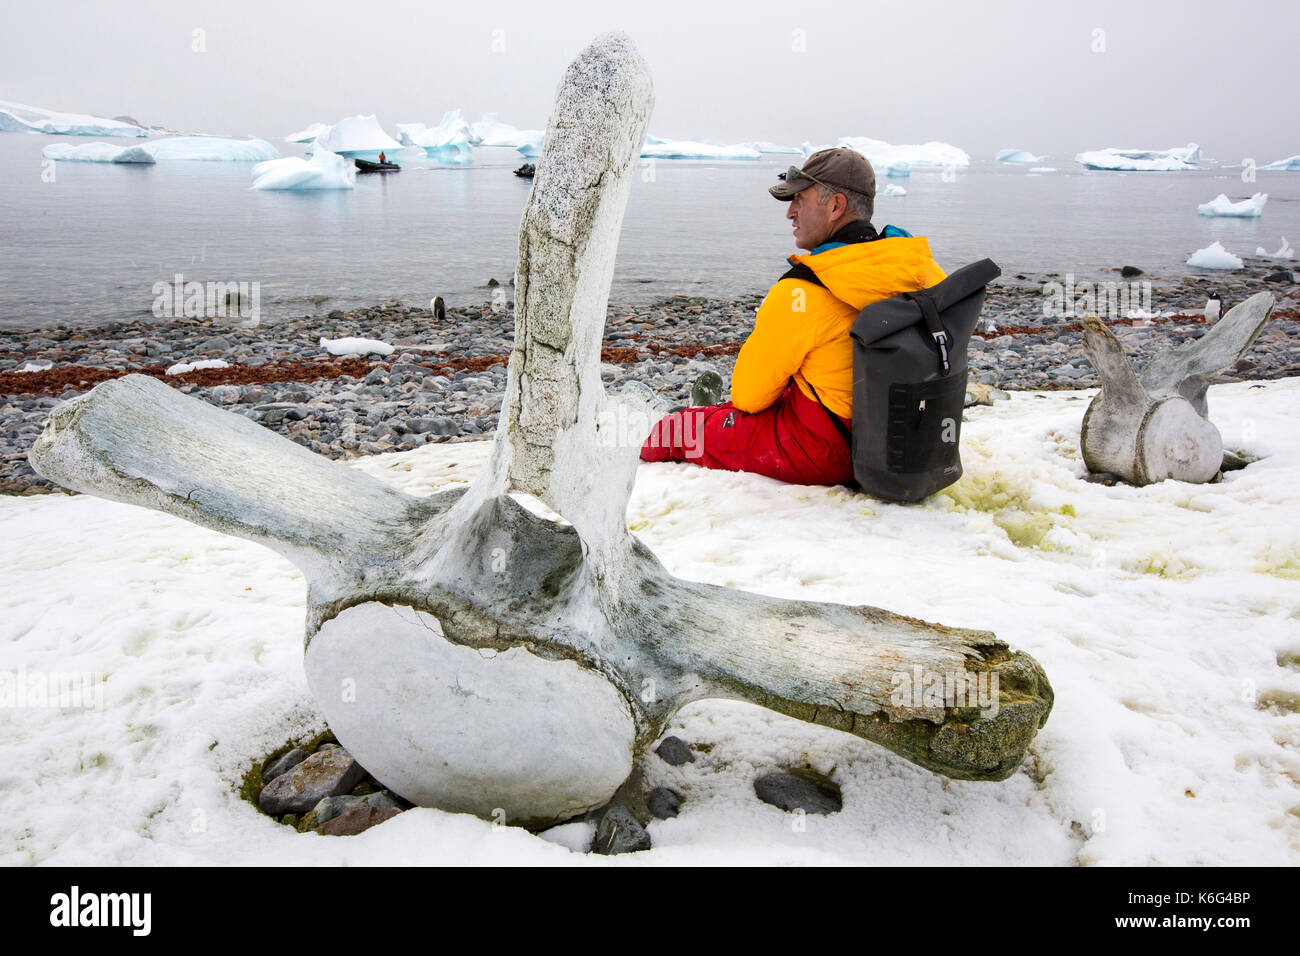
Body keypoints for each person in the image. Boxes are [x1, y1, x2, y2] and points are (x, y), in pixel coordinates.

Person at [638, 146, 947, 486]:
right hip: (910, 441)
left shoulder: (804, 290)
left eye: (800, 199)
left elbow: (749, 397)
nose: (790, 213)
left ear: (835, 206)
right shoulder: (924, 272)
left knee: (678, 429)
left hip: (828, 451)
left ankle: (639, 448)